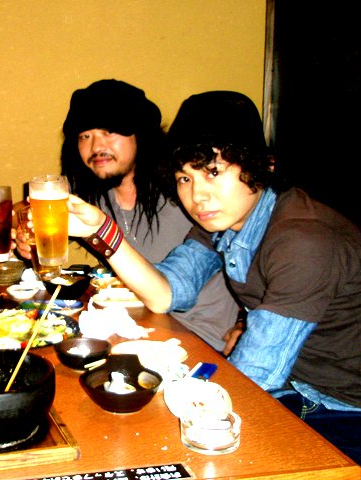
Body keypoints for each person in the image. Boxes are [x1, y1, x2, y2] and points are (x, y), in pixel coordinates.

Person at [66, 90, 361, 463]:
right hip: (290, 389)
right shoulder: (224, 222)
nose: (198, 196)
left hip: (341, 409)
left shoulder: (304, 239)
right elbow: (165, 294)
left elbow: (258, 374)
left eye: (213, 172)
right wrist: (101, 230)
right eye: (184, 178)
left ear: (263, 165)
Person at [19, 79, 239, 351]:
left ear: (140, 135)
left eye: (109, 131)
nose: (96, 146)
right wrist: (24, 234)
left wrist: (246, 320)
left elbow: (255, 247)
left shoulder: (189, 192)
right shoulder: (94, 194)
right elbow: (28, 208)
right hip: (135, 334)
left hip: (200, 341)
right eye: (85, 136)